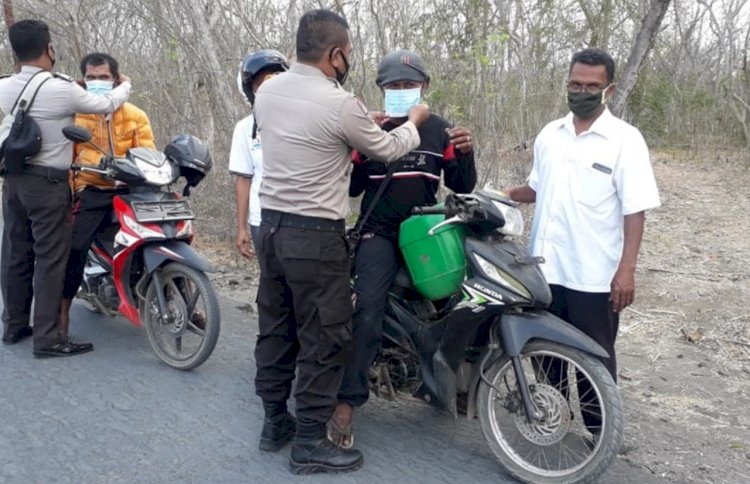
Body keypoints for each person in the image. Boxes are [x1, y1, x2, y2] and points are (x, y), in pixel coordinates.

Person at [252, 9, 429, 474]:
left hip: (270, 229)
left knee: (276, 325)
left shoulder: (267, 93)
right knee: (325, 335)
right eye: (347, 54)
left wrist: (358, 118)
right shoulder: (340, 103)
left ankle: (274, 421)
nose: (347, 61)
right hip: (314, 237)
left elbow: (311, 131)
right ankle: (310, 441)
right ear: (334, 55)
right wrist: (413, 121)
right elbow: (388, 149)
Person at [505, 48, 660, 430]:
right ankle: (555, 421)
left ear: (609, 89)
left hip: (593, 275)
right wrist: (501, 195)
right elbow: (538, 188)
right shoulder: (550, 134)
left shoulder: (625, 140)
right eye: (575, 83)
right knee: (546, 353)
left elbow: (634, 209)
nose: (582, 91)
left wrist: (627, 270)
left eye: (592, 85)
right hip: (544, 271)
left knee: (596, 358)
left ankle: (597, 432)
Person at [329, 49, 477, 449]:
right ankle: (347, 402)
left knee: (462, 301)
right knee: (368, 310)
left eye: (408, 85)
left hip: (425, 234)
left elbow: (462, 187)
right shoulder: (369, 129)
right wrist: (354, 148)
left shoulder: (441, 131)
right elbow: (355, 188)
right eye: (393, 86)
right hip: (378, 233)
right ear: (381, 89)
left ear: (424, 87)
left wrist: (466, 151)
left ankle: (450, 382)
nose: (401, 91)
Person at [0, 20, 131, 357]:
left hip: (13, 182)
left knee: (15, 253)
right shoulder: (61, 88)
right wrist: (125, 86)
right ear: (49, 50)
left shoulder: (5, 87)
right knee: (50, 259)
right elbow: (105, 105)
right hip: (48, 185)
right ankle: (48, 338)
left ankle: (14, 326)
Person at [57, 52, 155, 342]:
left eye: (103, 77)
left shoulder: (136, 115)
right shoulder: (77, 115)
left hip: (129, 189)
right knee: (74, 247)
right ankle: (61, 315)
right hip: (93, 189)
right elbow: (68, 159)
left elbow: (148, 152)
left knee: (160, 232)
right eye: (91, 78)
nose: (97, 82)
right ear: (83, 80)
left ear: (115, 78)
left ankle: (182, 293)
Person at [229, 49, 289, 257]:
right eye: (261, 83)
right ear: (250, 89)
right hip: (262, 220)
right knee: (271, 283)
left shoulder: (301, 120)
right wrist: (242, 228)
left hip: (300, 218)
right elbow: (244, 179)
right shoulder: (245, 129)